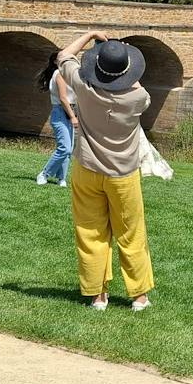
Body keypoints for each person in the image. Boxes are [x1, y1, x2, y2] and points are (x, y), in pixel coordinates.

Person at [63, 32, 154, 312]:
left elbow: (64, 56)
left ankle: (98, 296)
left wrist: (91, 36)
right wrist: (123, 56)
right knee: (131, 233)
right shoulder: (139, 98)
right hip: (123, 175)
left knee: (91, 232)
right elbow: (133, 82)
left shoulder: (83, 87)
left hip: (87, 169)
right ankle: (138, 296)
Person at [36, 49, 78, 188]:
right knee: (64, 148)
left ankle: (61, 178)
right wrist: (72, 117)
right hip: (61, 112)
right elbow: (63, 98)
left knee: (68, 150)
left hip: (70, 110)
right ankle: (44, 174)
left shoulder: (68, 75)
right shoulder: (59, 74)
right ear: (56, 61)